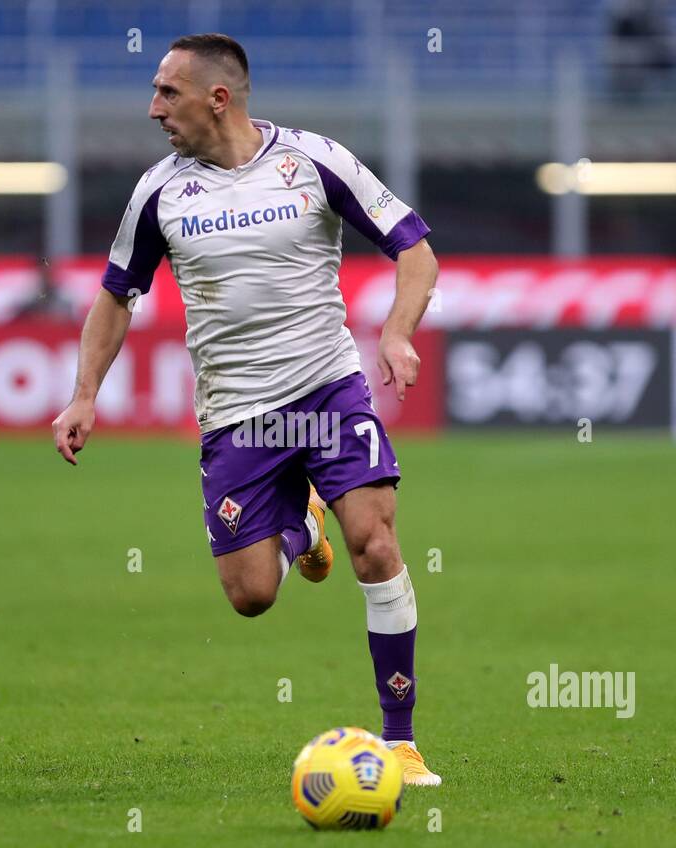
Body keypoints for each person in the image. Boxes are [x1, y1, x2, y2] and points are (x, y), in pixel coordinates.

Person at [52, 34, 441, 786]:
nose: (153, 107)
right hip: (237, 415)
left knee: (376, 545)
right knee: (252, 596)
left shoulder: (313, 161)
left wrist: (395, 332)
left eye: (168, 92)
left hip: (329, 391)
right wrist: (85, 393)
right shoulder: (160, 192)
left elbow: (414, 249)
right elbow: (115, 295)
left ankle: (400, 741)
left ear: (218, 98)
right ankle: (299, 525)